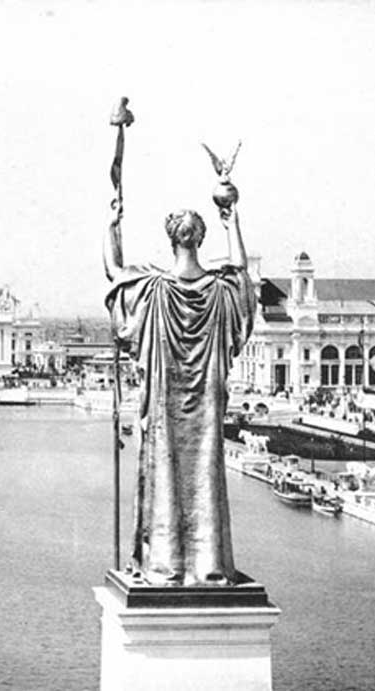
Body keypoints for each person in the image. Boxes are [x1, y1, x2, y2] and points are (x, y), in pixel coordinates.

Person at [105, 200, 254, 586]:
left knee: (163, 474)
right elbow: (241, 275)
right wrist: (232, 221)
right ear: (201, 239)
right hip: (205, 410)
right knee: (205, 473)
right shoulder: (222, 292)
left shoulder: (153, 292)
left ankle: (166, 564)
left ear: (171, 241)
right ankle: (208, 564)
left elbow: (114, 273)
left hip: (164, 411)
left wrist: (112, 227)